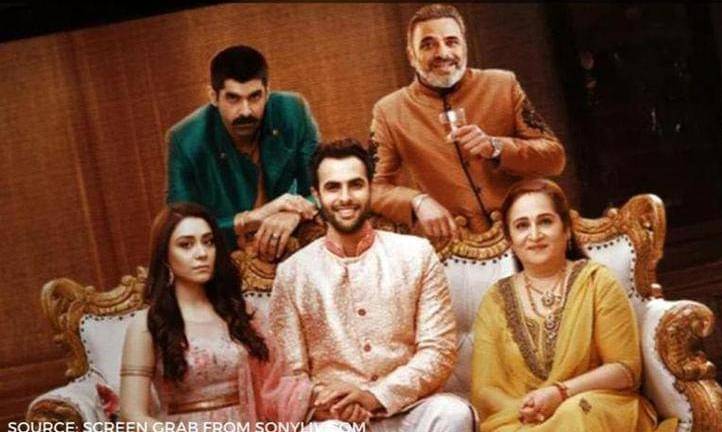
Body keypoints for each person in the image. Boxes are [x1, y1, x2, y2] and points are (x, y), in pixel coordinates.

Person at [269, 139, 473, 431]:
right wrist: (330, 404)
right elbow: (291, 373)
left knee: (452, 413)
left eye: (355, 185)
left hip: (406, 409)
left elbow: (438, 351)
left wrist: (376, 396)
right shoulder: (293, 274)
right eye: (333, 187)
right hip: (337, 418)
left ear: (371, 189)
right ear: (316, 195)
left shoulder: (416, 254)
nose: (345, 198)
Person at [471, 178, 677, 431]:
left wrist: (561, 393)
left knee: (574, 413)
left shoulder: (596, 281)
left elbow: (625, 370)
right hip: (522, 418)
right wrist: (529, 409)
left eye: (545, 221)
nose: (534, 235)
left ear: (566, 229)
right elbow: (485, 389)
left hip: (595, 406)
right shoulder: (496, 300)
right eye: (522, 225)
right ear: (510, 239)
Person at [370, 4, 566, 238]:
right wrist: (417, 201)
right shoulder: (389, 111)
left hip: (522, 235)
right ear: (411, 55)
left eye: (451, 42)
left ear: (464, 46)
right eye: (428, 45)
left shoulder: (503, 85)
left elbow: (554, 158)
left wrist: (496, 148)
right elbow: (373, 187)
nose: (443, 53)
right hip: (454, 244)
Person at [119, 202, 312, 425]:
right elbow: (131, 414)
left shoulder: (241, 313)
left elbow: (278, 384)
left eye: (208, 242)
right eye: (186, 245)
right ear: (165, 256)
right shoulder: (148, 324)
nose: (202, 253)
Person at [166, 45, 318, 259]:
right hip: (225, 257)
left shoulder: (293, 112)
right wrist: (250, 219)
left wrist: (294, 215)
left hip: (291, 245)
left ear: (267, 92)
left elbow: (321, 190)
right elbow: (180, 227)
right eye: (233, 98)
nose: (246, 111)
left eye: (255, 97)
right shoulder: (185, 140)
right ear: (213, 96)